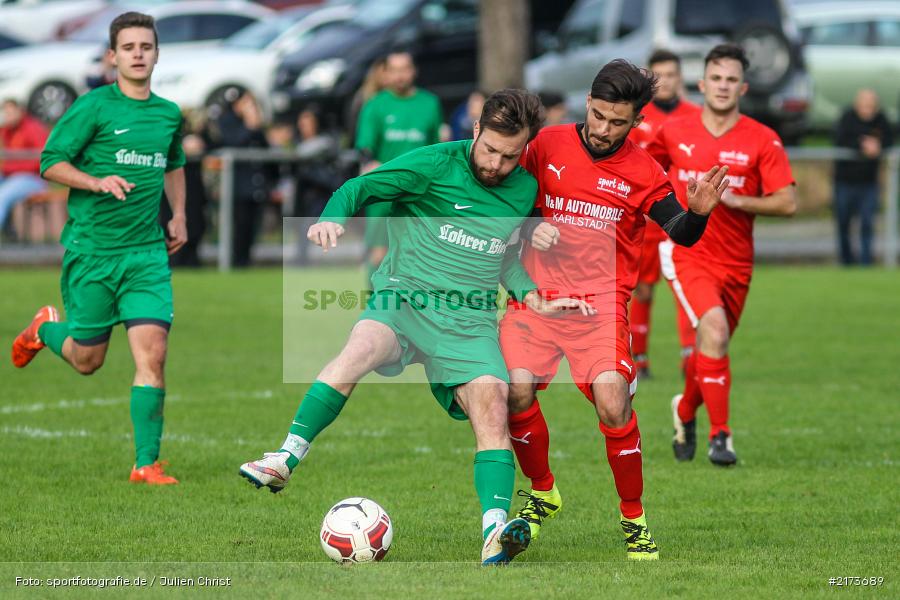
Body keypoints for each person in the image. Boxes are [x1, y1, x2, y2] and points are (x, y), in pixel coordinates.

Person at [239, 90, 593, 565]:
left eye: (510, 155)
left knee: (493, 403)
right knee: (358, 350)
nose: (496, 163)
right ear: (474, 131)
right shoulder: (432, 164)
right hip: (404, 299)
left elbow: (503, 253)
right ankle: (284, 458)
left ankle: (494, 532)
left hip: (468, 319)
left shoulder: (524, 189)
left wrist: (531, 295)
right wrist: (331, 220)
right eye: (489, 149)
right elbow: (358, 188)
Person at [501, 60, 730, 560]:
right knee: (513, 391)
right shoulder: (546, 146)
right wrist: (527, 228)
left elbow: (681, 234)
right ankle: (543, 492)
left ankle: (634, 518)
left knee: (612, 402)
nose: (604, 130)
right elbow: (509, 200)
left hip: (600, 304)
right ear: (587, 102)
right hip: (536, 297)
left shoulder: (644, 171)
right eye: (599, 115)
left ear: (637, 121)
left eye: (617, 121)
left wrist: (698, 212)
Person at [10, 12, 187, 485]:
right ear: (113, 56)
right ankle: (46, 329)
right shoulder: (93, 107)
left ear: (156, 53)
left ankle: (145, 463)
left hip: (146, 255)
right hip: (92, 253)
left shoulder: (169, 113)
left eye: (145, 47)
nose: (137, 55)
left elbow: (174, 164)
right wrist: (94, 180)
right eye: (128, 47)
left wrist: (180, 213)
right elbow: (50, 160)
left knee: (153, 355)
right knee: (88, 361)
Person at [646, 44, 797, 466]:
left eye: (732, 80)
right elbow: (645, 173)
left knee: (711, 345)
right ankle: (721, 436)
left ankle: (683, 410)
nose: (723, 86)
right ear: (702, 83)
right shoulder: (675, 131)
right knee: (713, 331)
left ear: (743, 87)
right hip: (686, 252)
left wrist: (739, 201)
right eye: (716, 78)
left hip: (737, 263)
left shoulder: (762, 138)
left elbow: (786, 202)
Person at [628, 50, 702, 378]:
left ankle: (691, 358)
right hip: (647, 220)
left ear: (680, 76)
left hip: (682, 218)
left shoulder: (696, 116)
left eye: (672, 74)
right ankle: (640, 358)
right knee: (643, 288)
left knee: (685, 287)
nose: (667, 81)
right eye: (659, 76)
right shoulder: (637, 119)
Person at [355, 51, 443, 284]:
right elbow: (365, 148)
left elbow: (437, 148)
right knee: (379, 252)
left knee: (420, 251)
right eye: (394, 70)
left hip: (420, 191)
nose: (399, 75)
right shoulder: (375, 105)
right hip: (385, 190)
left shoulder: (430, 103)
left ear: (413, 71)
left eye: (404, 69)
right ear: (385, 73)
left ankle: (413, 305)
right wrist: (370, 164)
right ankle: (374, 308)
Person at [209, 90, 273, 267]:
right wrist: (250, 126)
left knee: (251, 228)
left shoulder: (256, 125)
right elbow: (233, 143)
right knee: (237, 227)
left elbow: (265, 147)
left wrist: (256, 126)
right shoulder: (228, 122)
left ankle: (245, 261)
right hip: (236, 188)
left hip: (255, 187)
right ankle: (234, 262)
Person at [833, 89, 893, 266]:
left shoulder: (881, 119)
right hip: (844, 182)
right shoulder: (847, 118)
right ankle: (846, 261)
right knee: (843, 222)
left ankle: (866, 262)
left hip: (869, 183)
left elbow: (890, 139)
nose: (868, 109)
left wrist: (879, 146)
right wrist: (862, 145)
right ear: (857, 104)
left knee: (867, 222)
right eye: (865, 104)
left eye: (871, 105)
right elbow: (839, 139)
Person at [0, 99, 50, 235]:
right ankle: (9, 232)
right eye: (6, 113)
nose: (8, 116)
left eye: (11, 112)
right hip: (12, 176)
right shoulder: (7, 130)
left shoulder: (33, 128)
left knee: (2, 195)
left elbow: (43, 159)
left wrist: (12, 168)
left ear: (20, 111)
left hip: (33, 178)